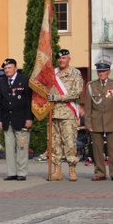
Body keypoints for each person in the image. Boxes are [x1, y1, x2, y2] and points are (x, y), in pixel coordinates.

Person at [46, 49, 84, 181]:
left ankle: (72, 170)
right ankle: (57, 171)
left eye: (64, 58)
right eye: (59, 58)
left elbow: (76, 92)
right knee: (54, 143)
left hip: (68, 114)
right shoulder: (52, 73)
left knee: (69, 143)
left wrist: (59, 97)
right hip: (53, 113)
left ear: (69, 59)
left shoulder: (75, 73)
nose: (61, 60)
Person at [85, 60, 113, 181]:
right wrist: (88, 123)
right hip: (96, 121)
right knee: (97, 149)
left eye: (103, 71)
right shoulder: (91, 86)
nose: (101, 73)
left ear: (109, 71)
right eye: (99, 71)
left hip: (112, 121)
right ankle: (100, 172)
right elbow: (88, 107)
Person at [0, 58, 33, 181]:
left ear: (15, 68)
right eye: (5, 68)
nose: (7, 70)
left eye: (9, 67)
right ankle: (11, 172)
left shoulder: (24, 80)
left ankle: (22, 173)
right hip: (7, 120)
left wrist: (29, 118)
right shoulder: (2, 83)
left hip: (21, 119)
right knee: (9, 148)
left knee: (22, 147)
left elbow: (29, 101)